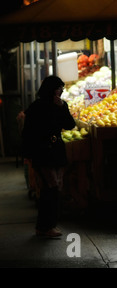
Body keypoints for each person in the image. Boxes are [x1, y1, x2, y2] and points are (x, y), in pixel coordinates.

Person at [22, 75, 76, 238]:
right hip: (43, 151)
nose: (61, 91)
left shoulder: (61, 105)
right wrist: (29, 154)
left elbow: (70, 125)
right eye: (60, 88)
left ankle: (49, 225)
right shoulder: (36, 107)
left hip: (57, 150)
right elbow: (28, 133)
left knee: (56, 185)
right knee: (50, 186)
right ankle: (45, 226)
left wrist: (61, 108)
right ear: (53, 89)